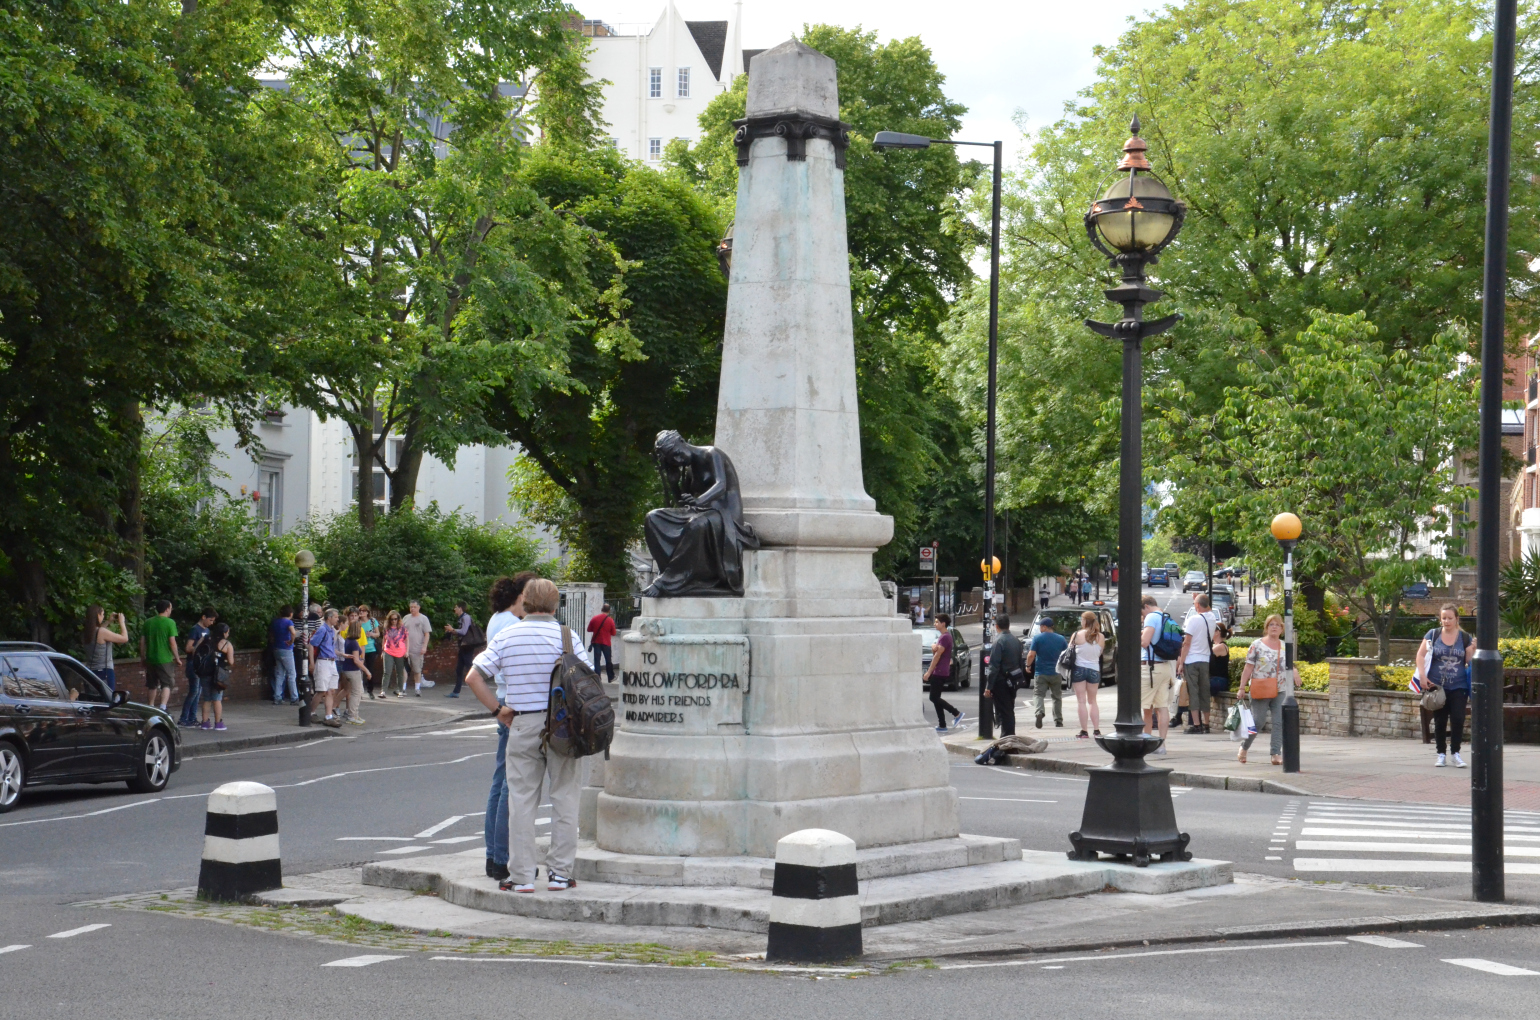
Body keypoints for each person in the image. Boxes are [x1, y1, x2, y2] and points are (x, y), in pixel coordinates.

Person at [462, 578, 591, 893]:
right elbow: (590, 679)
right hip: (563, 725)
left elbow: (473, 677)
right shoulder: (567, 636)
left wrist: (498, 710)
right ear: (555, 605)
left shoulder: (508, 635)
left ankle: (521, 877)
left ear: (525, 601)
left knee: (520, 801)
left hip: (522, 723)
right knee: (565, 798)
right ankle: (560, 874)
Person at [480, 572, 535, 881]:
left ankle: (493, 856)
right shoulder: (512, 624)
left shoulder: (498, 619)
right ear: (522, 595)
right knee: (509, 786)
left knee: (499, 781)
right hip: (512, 703)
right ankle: (502, 858)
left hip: (503, 697)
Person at [1417, 603, 1475, 768]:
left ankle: (1456, 753)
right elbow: (1420, 655)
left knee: (1458, 719)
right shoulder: (1433, 634)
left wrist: (1473, 649)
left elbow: (1468, 661)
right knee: (1440, 720)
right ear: (1440, 619)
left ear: (1457, 619)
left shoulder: (1464, 637)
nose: (1447, 621)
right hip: (1437, 686)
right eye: (1444, 618)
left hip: (1459, 685)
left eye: (1450, 618)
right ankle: (1441, 754)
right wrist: (1422, 676)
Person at [1238, 614, 1295, 765]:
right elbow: (1248, 667)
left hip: (1280, 689)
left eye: (1277, 625)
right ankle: (1244, 747)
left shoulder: (1285, 646)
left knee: (1278, 722)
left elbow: (1290, 664)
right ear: (1266, 627)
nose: (1274, 627)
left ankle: (1275, 753)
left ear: (1282, 629)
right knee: (1258, 721)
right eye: (1271, 624)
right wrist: (1242, 687)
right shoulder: (1256, 645)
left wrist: (1295, 673)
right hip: (1260, 688)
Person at [1177, 593, 1219, 735]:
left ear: (1197, 605)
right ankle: (1206, 724)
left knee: (1193, 692)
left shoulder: (1193, 619)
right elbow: (1207, 607)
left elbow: (1187, 643)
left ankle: (1196, 725)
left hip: (1191, 660)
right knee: (1205, 692)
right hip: (1205, 660)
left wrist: (1181, 663)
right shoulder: (1212, 618)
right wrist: (1199, 600)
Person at [1139, 594, 1173, 754]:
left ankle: (1147, 743)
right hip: (1165, 667)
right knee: (1162, 707)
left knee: (1146, 707)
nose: (1142, 616)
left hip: (1150, 667)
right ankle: (1161, 745)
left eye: (1141, 612)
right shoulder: (1166, 616)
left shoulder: (1151, 617)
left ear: (1146, 606)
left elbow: (1144, 642)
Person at [1025, 616, 1068, 729]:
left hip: (1041, 672)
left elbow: (1031, 655)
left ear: (1044, 627)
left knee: (1038, 694)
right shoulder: (1061, 639)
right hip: (1056, 672)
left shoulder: (1037, 638)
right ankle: (1058, 720)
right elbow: (1066, 655)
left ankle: (1039, 712)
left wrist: (1028, 665)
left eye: (1040, 626)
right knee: (1057, 697)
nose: (1040, 628)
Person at [922, 613, 963, 733]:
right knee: (936, 698)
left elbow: (937, 656)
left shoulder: (945, 637)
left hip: (940, 671)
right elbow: (937, 652)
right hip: (941, 670)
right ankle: (942, 725)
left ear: (943, 624)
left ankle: (956, 713)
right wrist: (933, 647)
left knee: (933, 697)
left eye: (937, 622)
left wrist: (928, 672)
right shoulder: (944, 637)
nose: (935, 624)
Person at [983, 615, 1023, 736]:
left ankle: (1007, 738)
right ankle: (1009, 736)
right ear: (1008, 625)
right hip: (1014, 680)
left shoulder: (999, 642)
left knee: (1004, 712)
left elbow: (994, 666)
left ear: (996, 626)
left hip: (1001, 681)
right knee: (1009, 709)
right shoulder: (1016, 640)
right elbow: (1020, 662)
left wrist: (989, 687)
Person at [178, 607, 217, 727]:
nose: (211, 623)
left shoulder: (207, 631)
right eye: (210, 620)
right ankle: (184, 717)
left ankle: (192, 718)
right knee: (194, 691)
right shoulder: (195, 630)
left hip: (202, 665)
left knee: (198, 692)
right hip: (193, 663)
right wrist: (198, 647)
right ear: (203, 617)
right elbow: (188, 647)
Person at [1068, 610, 1104, 739]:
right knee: (1093, 701)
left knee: (1081, 701)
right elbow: (1099, 653)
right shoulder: (1100, 637)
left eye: (1082, 620)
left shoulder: (1077, 635)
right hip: (1094, 669)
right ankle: (1096, 730)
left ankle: (1084, 731)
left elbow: (1069, 651)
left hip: (1079, 669)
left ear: (1084, 621)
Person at [139, 599, 180, 711]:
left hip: (150, 659)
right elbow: (172, 642)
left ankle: (150, 707)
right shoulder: (170, 622)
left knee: (152, 685)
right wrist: (177, 658)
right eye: (170, 608)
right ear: (167, 609)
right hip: (164, 659)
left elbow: (142, 642)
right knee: (166, 684)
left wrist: (143, 657)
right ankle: (162, 707)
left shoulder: (148, 622)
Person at [308, 607, 343, 727]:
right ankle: (311, 712)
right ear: (329, 618)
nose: (337, 619)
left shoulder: (332, 630)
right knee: (321, 690)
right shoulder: (322, 629)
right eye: (336, 617)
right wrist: (312, 663)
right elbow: (311, 644)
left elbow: (330, 647)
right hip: (323, 662)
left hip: (332, 662)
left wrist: (341, 654)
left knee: (331, 690)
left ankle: (328, 716)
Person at [195, 622, 233, 731]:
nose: (228, 634)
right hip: (218, 675)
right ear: (224, 633)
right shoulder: (226, 644)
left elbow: (196, 652)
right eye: (227, 632)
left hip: (204, 672)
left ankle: (205, 723)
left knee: (207, 699)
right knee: (217, 699)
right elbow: (231, 661)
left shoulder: (205, 639)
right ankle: (218, 723)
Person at [444, 601, 485, 698]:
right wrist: (451, 631)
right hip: (463, 646)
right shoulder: (461, 618)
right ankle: (456, 692)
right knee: (459, 669)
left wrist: (452, 629)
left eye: (456, 607)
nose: (454, 609)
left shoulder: (466, 617)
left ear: (460, 608)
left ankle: (481, 691)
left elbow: (463, 631)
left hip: (467, 646)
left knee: (470, 669)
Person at [82, 605, 129, 691]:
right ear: (98, 615)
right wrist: (122, 622)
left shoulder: (86, 633)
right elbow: (124, 638)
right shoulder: (101, 632)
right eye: (102, 614)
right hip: (104, 672)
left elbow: (98, 632)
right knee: (107, 697)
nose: (103, 617)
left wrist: (108, 621)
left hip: (90, 672)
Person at [338, 612, 369, 725]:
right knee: (357, 693)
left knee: (349, 691)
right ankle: (352, 715)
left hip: (346, 669)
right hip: (353, 670)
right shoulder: (354, 643)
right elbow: (356, 660)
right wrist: (366, 670)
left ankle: (353, 714)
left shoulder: (347, 641)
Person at [403, 601, 432, 696]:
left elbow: (427, 634)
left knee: (417, 670)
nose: (412, 609)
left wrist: (424, 646)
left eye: (414, 607)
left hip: (417, 649)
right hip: (405, 649)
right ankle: (403, 688)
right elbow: (401, 633)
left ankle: (417, 688)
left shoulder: (423, 619)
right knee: (403, 669)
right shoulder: (406, 618)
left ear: (419, 607)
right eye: (411, 607)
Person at [271, 606, 298, 705]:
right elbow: (293, 632)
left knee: (279, 674)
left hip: (276, 648)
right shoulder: (288, 622)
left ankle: (277, 696)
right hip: (286, 649)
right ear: (290, 613)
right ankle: (294, 697)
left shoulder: (275, 621)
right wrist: (291, 641)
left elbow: (271, 635)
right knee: (291, 674)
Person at [586, 603, 617, 683]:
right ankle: (610, 677)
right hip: (606, 643)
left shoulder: (595, 618)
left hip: (596, 642)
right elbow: (614, 633)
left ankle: (598, 678)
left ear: (601, 609)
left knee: (597, 661)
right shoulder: (610, 620)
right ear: (609, 611)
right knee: (608, 660)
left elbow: (589, 629)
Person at [381, 611, 410, 696]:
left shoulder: (403, 628)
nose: (394, 621)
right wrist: (383, 651)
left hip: (400, 652)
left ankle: (400, 690)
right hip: (388, 651)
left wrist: (407, 651)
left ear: (398, 619)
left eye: (395, 619)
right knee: (387, 671)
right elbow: (384, 639)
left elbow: (407, 640)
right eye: (392, 619)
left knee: (399, 672)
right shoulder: (387, 628)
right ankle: (383, 691)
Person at [359, 604, 381, 700]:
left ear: (367, 612)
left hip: (371, 648)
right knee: (359, 670)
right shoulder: (357, 622)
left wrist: (371, 634)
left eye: (363, 611)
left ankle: (370, 690)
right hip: (360, 648)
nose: (361, 613)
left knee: (370, 669)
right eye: (360, 611)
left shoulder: (372, 621)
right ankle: (359, 691)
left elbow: (378, 634)